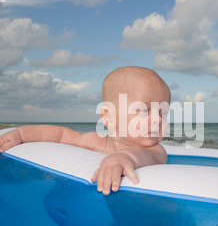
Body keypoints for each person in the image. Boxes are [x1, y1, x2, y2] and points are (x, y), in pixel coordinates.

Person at [0, 66, 171, 195]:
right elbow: (60, 135)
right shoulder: (94, 142)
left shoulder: (156, 151)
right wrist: (21, 134)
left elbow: (142, 156)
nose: (158, 119)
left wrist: (124, 158)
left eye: (162, 111)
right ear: (108, 117)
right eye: (145, 110)